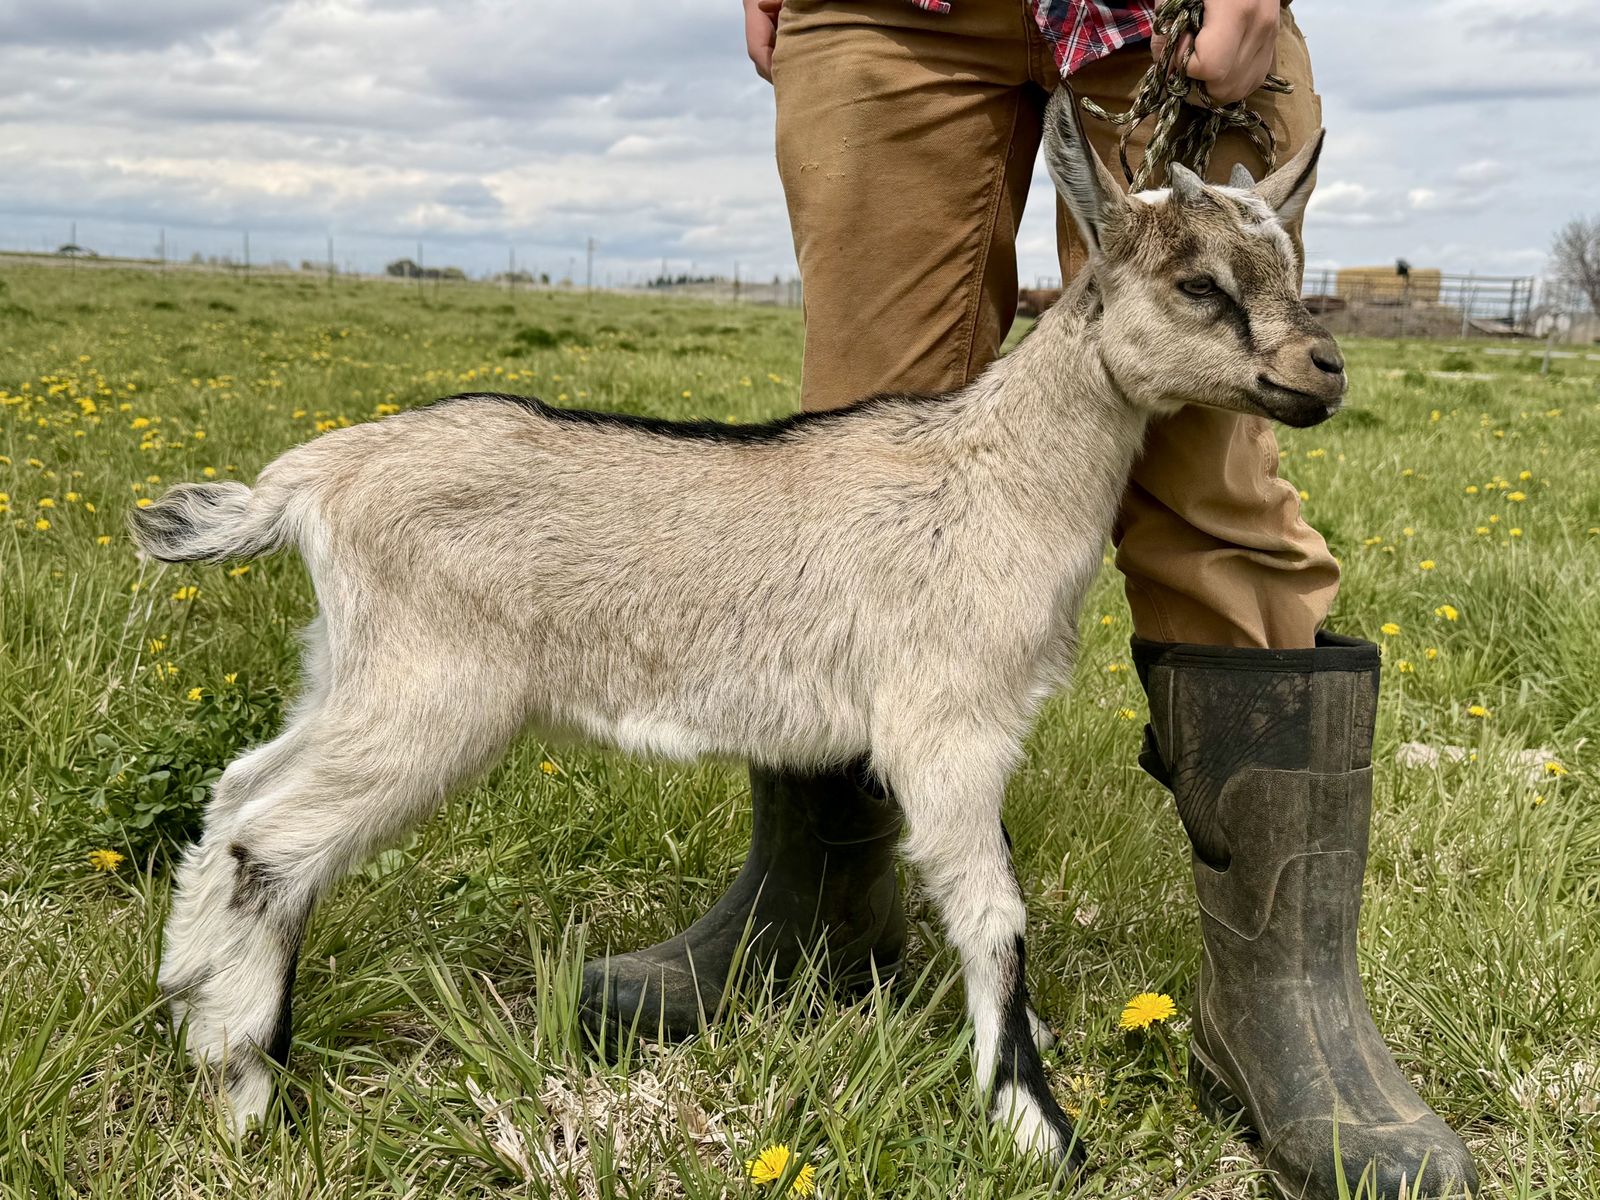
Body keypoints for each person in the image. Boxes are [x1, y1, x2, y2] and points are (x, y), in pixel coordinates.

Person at [581, 1, 1477, 1194]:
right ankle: (823, 911)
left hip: (1158, 11)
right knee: (862, 444)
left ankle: (1281, 1000)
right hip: (884, 18)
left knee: (1208, 467)